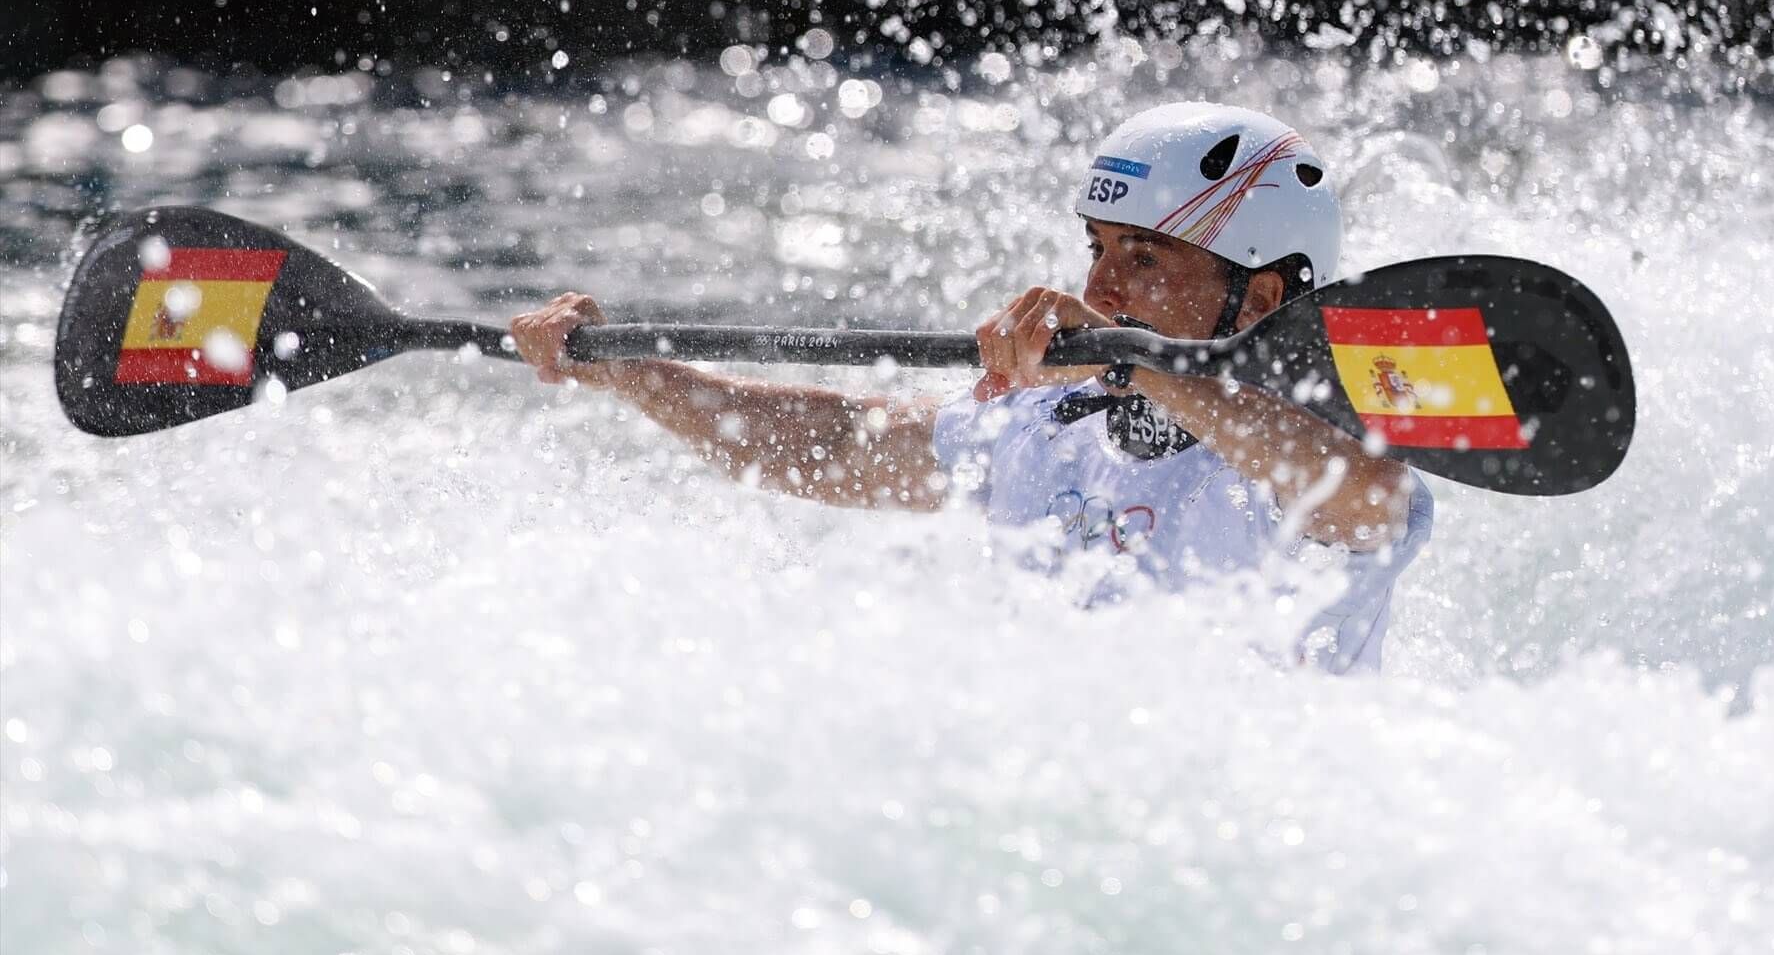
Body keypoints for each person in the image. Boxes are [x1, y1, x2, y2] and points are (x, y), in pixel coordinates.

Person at [511, 102, 1432, 672]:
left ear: (1260, 297)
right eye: (1099, 250)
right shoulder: (1050, 419)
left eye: (1145, 259)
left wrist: (1135, 361)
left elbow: (1364, 504)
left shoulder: (1334, 447)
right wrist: (633, 373)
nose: (1103, 288)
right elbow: (829, 446)